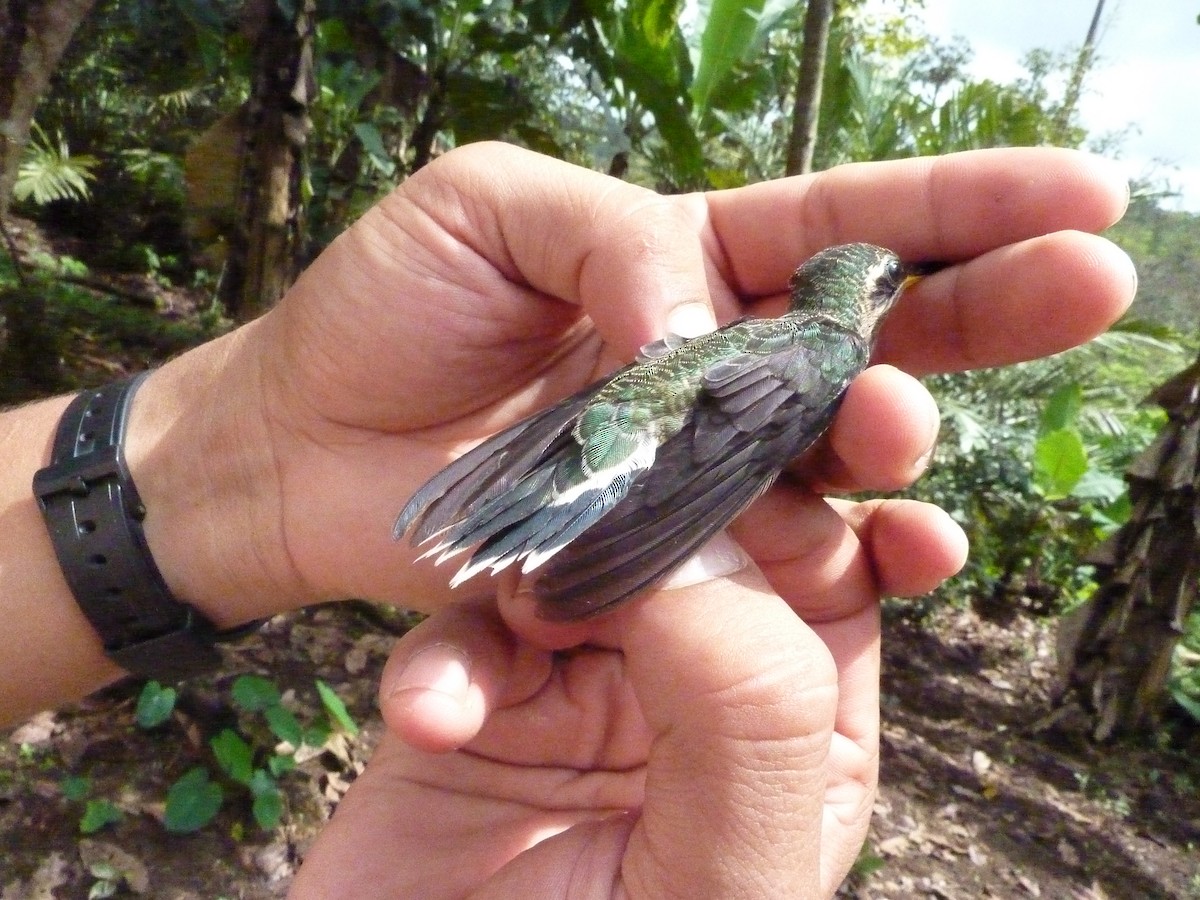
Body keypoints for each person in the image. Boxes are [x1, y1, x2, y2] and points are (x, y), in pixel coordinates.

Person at [0, 142, 1135, 896]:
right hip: (678, 424)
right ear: (871, 303)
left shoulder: (786, 332)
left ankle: (552, 497)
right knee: (704, 479)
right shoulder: (832, 347)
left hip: (650, 396)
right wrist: (669, 518)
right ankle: (566, 509)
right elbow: (730, 444)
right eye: (895, 286)